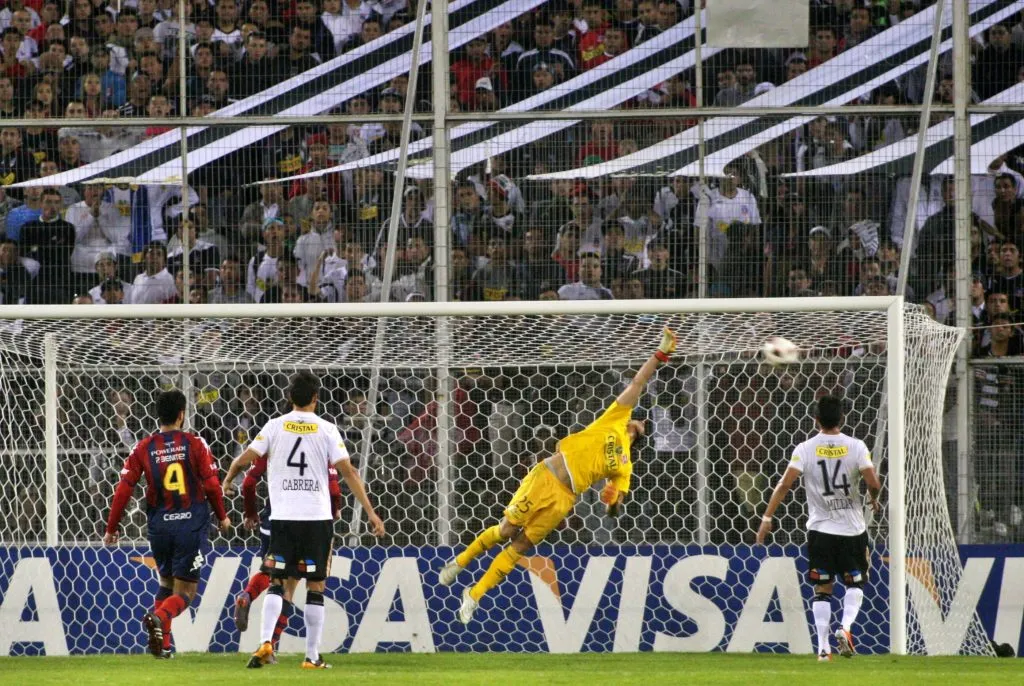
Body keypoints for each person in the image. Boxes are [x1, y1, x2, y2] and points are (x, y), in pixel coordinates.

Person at [440, 327, 678, 624]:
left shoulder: (625, 465)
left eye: (642, 422)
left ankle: (474, 595)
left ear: (642, 433)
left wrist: (612, 501)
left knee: (521, 545)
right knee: (506, 531)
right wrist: (661, 353)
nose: (638, 419)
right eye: (638, 417)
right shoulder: (615, 419)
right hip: (546, 477)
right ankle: (459, 563)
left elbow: (614, 509)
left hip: (564, 498)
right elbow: (639, 381)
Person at [223, 371, 385, 669]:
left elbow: (246, 458)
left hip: (282, 517)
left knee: (276, 581)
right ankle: (311, 656)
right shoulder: (327, 429)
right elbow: (348, 472)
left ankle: (264, 643)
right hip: (316, 518)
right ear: (315, 398)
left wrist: (229, 476)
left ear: (289, 398)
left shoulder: (273, 426)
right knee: (315, 585)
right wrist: (372, 512)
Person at [103, 390, 231, 658]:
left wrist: (111, 527)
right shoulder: (195, 444)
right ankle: (160, 616)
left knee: (166, 582)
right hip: (190, 526)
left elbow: (124, 489)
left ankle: (163, 647)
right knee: (187, 592)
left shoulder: (144, 447)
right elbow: (211, 485)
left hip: (160, 528)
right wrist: (222, 515)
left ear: (158, 415)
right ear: (182, 415)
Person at [756, 395, 882, 662]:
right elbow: (872, 480)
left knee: (822, 589)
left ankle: (823, 649)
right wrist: (873, 496)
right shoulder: (856, 446)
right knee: (856, 582)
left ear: (816, 420)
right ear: (843, 418)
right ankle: (845, 628)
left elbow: (785, 484)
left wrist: (767, 518)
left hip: (820, 530)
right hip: (851, 530)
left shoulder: (805, 448)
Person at [227, 452, 343, 660]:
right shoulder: (320, 445)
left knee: (273, 573)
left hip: (272, 520)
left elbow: (249, 482)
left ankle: (248, 596)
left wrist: (250, 512)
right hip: (306, 522)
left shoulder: (276, 443)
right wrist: (334, 510)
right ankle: (277, 646)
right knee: (291, 584)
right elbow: (334, 490)